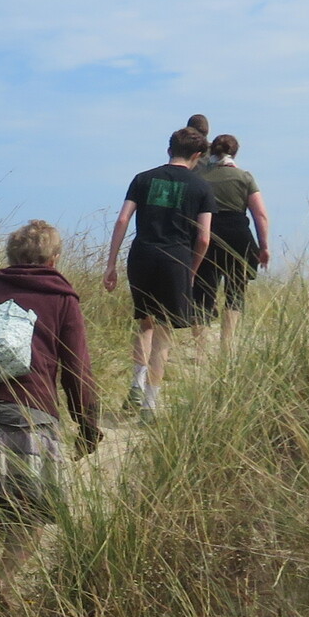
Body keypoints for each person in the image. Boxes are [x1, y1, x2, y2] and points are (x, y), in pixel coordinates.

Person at [0, 221, 99, 609]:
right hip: (32, 417)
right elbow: (77, 369)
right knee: (33, 512)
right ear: (54, 259)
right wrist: (88, 425)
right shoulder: (63, 298)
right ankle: (6, 582)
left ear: (11, 256)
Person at [102, 126, 215, 413]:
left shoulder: (143, 178)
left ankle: (136, 384)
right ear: (198, 155)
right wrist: (192, 270)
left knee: (145, 322)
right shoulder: (202, 187)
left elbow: (122, 220)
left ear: (169, 150)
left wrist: (111, 263)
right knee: (164, 331)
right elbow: (204, 238)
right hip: (176, 258)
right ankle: (150, 404)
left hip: (142, 255)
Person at [193, 133, 271, 349]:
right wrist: (264, 246)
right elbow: (260, 215)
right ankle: (227, 347)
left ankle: (200, 350)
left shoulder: (200, 179)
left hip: (207, 235)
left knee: (202, 293)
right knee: (235, 292)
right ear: (235, 152)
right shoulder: (244, 177)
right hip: (238, 237)